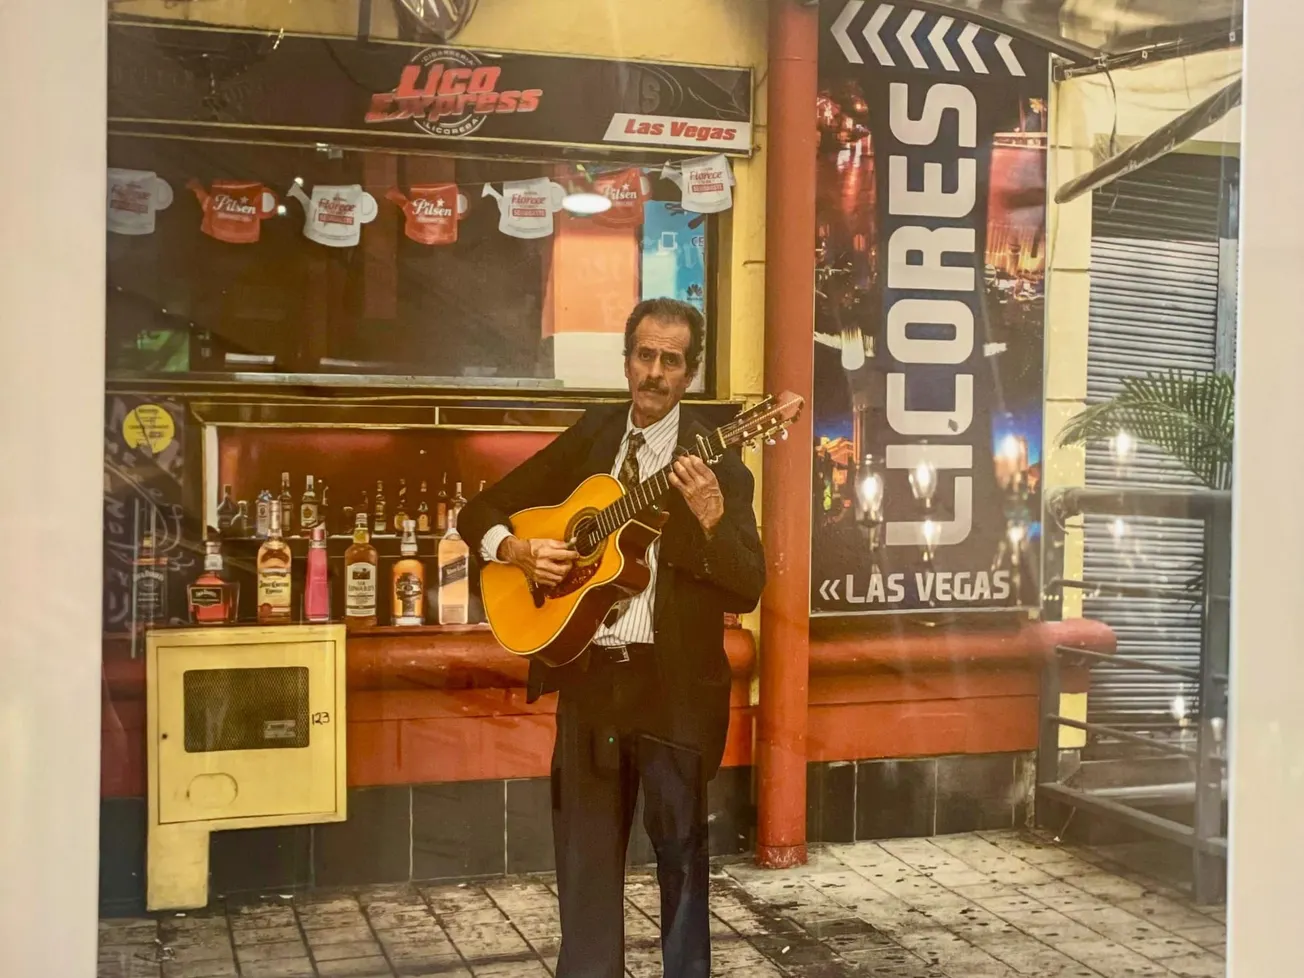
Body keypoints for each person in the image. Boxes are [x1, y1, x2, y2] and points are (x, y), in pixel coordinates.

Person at [458, 298, 766, 978]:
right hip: (592, 682)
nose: (654, 373)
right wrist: (515, 553)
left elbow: (748, 587)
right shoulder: (593, 439)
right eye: (645, 356)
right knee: (586, 858)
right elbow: (476, 512)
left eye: (672, 361)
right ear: (627, 359)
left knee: (680, 859)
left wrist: (713, 521)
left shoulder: (718, 463)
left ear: (690, 374)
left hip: (674, 690)